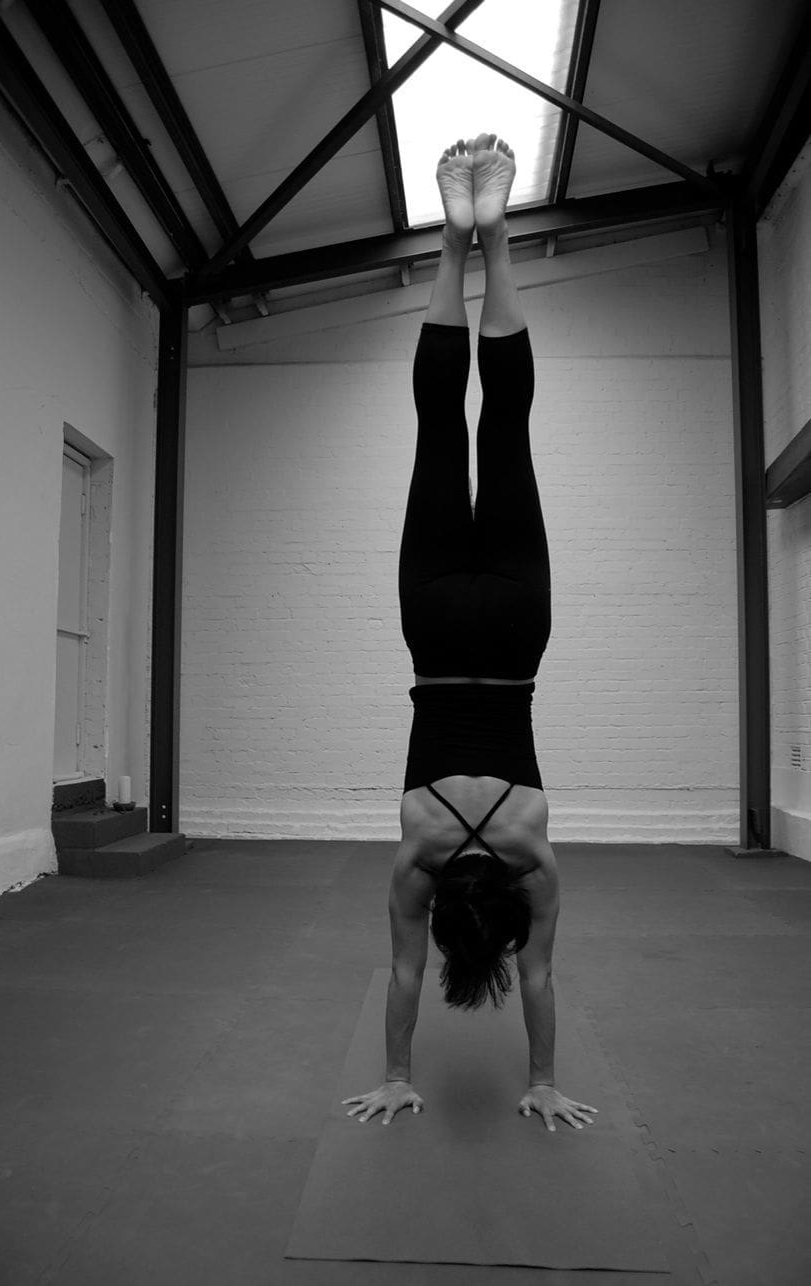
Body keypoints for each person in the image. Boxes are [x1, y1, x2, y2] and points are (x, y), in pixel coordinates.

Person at [343, 134, 597, 1134]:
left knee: (507, 430)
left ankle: (495, 239)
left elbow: (538, 977)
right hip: (437, 629)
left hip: (517, 631)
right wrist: (393, 1072)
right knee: (442, 430)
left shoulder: (535, 856)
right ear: (448, 911)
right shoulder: (416, 853)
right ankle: (455, 240)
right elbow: (406, 970)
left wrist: (544, 1078)